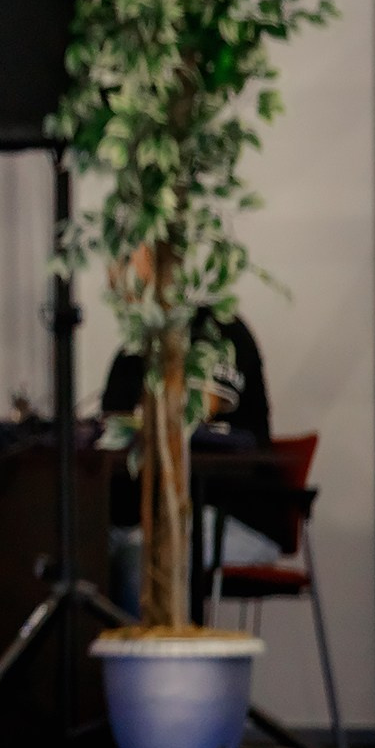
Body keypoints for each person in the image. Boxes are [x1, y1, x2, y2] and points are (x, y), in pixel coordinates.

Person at [100, 245, 275, 615]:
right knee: (76, 552)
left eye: (130, 260)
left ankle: (152, 672)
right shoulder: (129, 354)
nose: (117, 278)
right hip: (141, 518)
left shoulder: (219, 332)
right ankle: (88, 674)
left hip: (232, 515)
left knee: (143, 560)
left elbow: (199, 410)